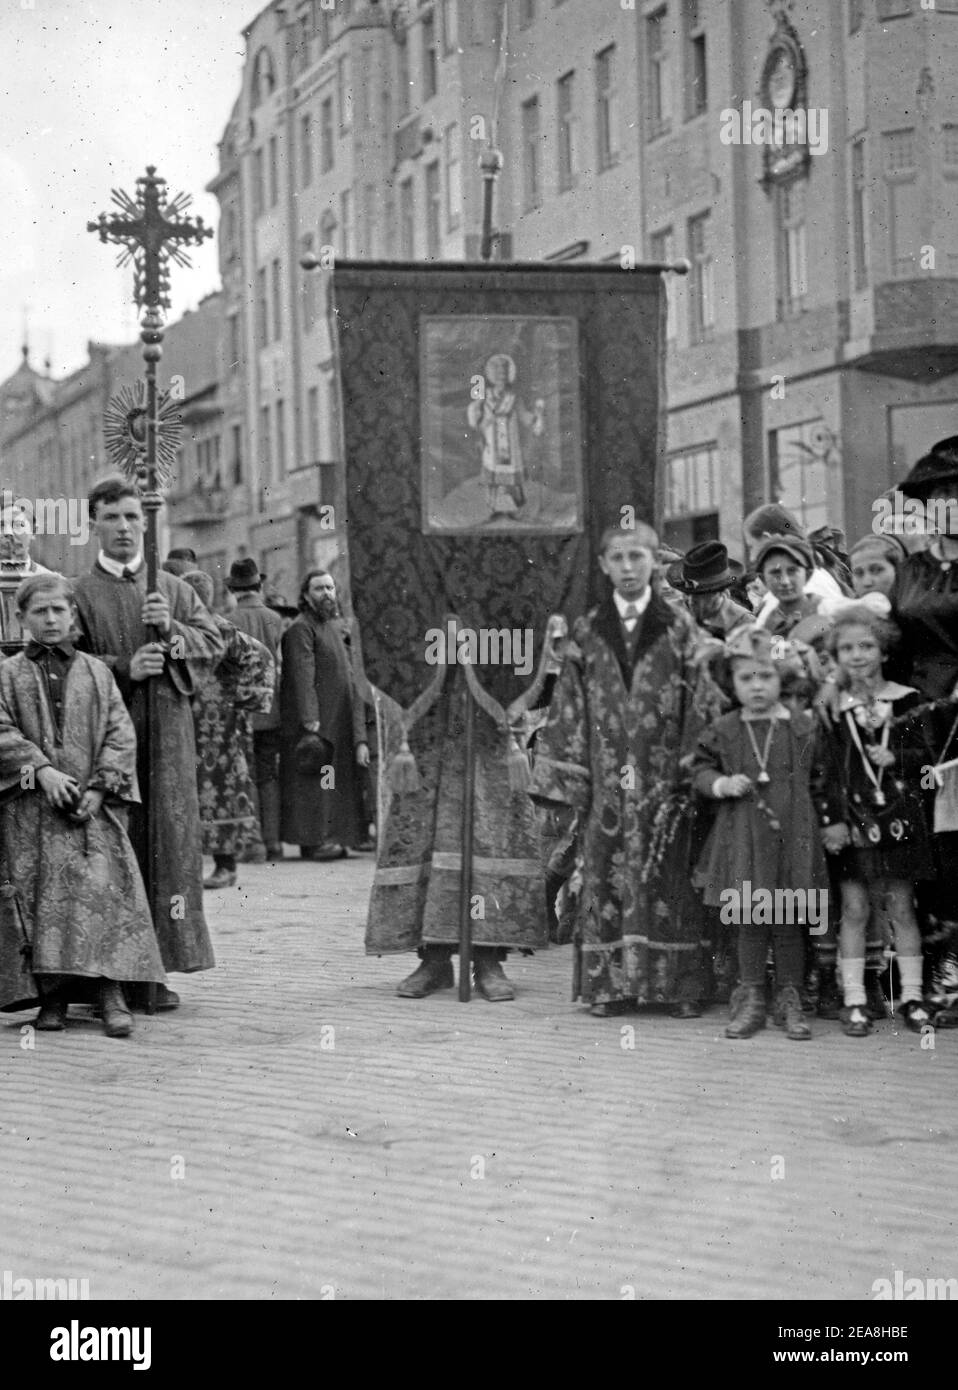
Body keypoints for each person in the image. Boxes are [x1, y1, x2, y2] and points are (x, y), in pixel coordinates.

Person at [529, 522, 721, 1018]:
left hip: (665, 780)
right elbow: (568, 708)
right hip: (606, 781)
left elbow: (701, 702)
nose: (629, 567)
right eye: (619, 558)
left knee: (669, 876)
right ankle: (608, 987)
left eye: (639, 557)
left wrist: (690, 767)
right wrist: (571, 779)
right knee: (605, 875)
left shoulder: (680, 630)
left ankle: (676, 986)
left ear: (656, 562)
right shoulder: (588, 632)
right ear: (604, 566)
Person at [70, 477, 224, 1009]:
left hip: (169, 742)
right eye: (112, 518)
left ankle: (155, 971)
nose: (125, 528)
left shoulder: (173, 589)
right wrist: (122, 668)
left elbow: (214, 642)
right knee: (115, 850)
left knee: (168, 850)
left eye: (134, 518)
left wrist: (174, 630)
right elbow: (66, 665)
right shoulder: (77, 593)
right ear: (94, 523)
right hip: (106, 745)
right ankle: (110, 974)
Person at [0, 572, 165, 1037]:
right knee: (41, 902)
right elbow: (2, 730)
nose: (51, 619)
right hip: (32, 810)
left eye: (59, 610)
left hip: (92, 809)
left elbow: (119, 732)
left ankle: (110, 993)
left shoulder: (97, 672)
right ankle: (52, 998)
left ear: (73, 615)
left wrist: (100, 788)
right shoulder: (7, 675)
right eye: (40, 611)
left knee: (103, 891)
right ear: (22, 617)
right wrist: (42, 772)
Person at [688, 625, 832, 1041]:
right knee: (749, 917)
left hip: (793, 833)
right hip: (744, 835)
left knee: (787, 919)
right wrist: (720, 783)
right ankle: (749, 994)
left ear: (781, 678)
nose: (756, 685)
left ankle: (789, 995)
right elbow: (700, 768)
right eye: (746, 677)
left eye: (765, 676)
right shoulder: (726, 728)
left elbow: (823, 778)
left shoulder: (801, 727)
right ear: (731, 683)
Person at [814, 603, 937, 1037]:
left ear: (884, 651)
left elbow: (928, 761)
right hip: (852, 819)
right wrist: (831, 821)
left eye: (866, 645)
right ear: (834, 657)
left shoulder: (907, 700)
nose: (858, 655)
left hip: (899, 818)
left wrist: (899, 759)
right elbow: (825, 770)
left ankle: (913, 997)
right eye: (846, 648)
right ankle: (854, 1000)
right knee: (855, 908)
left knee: (902, 907)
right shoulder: (832, 708)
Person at [889, 437, 958, 1024]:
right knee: (926, 841)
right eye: (941, 496)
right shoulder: (911, 569)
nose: (951, 505)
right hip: (917, 717)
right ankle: (936, 970)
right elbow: (893, 641)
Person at [181, 570, 275, 890]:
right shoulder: (183, 627)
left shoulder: (217, 627)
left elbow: (258, 654)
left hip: (219, 728)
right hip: (189, 723)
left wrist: (242, 700)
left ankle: (226, 864)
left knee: (220, 789)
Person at [279, 569, 370, 860]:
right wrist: (310, 718)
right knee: (316, 783)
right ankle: (315, 840)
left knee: (332, 782)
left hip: (337, 718)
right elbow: (303, 673)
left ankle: (335, 837)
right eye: (319, 589)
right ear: (306, 595)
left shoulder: (331, 626)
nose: (327, 594)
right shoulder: (300, 628)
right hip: (317, 721)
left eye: (330, 588)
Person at [226, 557, 285, 861]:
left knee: (244, 773)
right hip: (271, 709)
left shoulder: (228, 620)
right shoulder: (275, 619)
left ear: (234, 589)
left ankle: (254, 842)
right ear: (259, 586)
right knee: (268, 774)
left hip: (240, 709)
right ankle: (274, 842)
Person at [466, 352, 545, 519]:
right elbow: (479, 422)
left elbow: (525, 418)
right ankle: (492, 510)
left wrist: (537, 416)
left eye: (504, 371)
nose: (501, 375)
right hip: (492, 446)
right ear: (491, 375)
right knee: (492, 479)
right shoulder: (484, 396)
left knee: (514, 481)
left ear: (508, 374)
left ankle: (518, 511)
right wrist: (477, 412)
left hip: (511, 446)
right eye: (497, 372)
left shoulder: (514, 398)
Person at [667, 540, 753, 638]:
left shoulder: (744, 622)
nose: (690, 601)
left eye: (699, 594)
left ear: (719, 592)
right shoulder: (669, 612)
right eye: (686, 593)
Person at [1, 501, 51, 653]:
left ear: (33, 531)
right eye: (1, 525)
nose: (8, 533)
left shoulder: (51, 582)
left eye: (18, 525)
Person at [754, 535, 821, 637]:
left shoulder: (824, 610)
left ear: (808, 575)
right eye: (775, 573)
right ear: (763, 579)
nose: (785, 581)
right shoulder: (766, 623)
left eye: (792, 571)